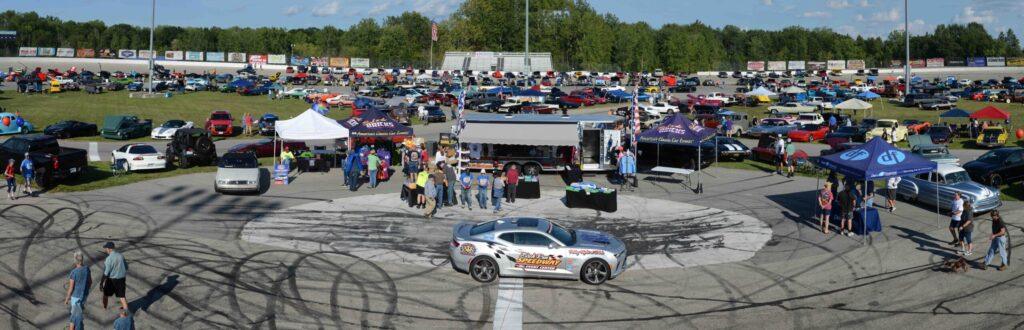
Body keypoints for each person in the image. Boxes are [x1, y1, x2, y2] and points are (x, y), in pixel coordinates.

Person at [101, 241, 128, 310]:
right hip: (121, 279)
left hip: (111, 280)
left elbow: (106, 273)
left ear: (109, 249)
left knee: (105, 295)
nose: (105, 249)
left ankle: (105, 308)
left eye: (106, 248)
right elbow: (126, 267)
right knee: (122, 297)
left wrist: (101, 283)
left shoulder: (109, 259)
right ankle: (126, 312)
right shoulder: (121, 256)